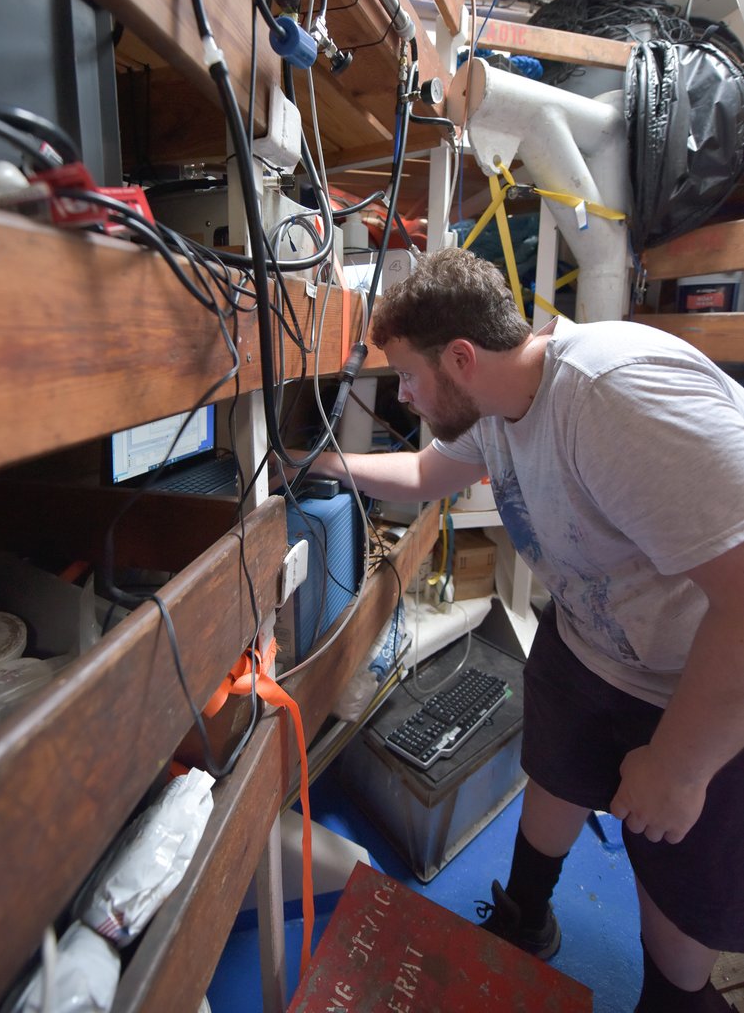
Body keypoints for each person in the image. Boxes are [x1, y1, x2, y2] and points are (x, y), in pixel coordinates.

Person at [309, 247, 744, 1012]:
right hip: (588, 642)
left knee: (674, 894)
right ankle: (524, 915)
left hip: (697, 685)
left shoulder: (616, 397)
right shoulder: (499, 403)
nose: (404, 395)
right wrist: (316, 461)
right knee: (555, 777)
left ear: (461, 357)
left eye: (407, 376)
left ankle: (675, 1002)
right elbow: (421, 476)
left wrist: (679, 765)